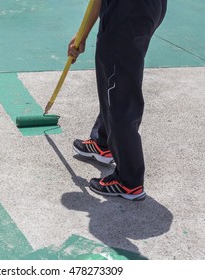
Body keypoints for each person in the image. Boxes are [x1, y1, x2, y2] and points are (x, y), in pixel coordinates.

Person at [69, 0, 167, 201]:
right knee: (113, 79)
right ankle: (103, 141)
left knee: (119, 90)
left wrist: (83, 34)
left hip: (129, 12)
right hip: (145, 8)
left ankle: (129, 181)